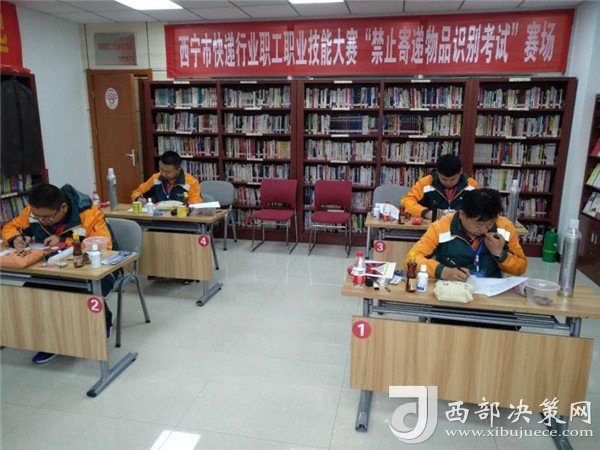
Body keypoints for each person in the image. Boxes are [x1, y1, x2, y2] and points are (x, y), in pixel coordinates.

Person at [2, 183, 115, 364]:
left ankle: (102, 323)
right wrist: (16, 238)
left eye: (46, 217)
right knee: (32, 292)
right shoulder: (33, 212)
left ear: (63, 207)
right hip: (53, 268)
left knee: (76, 292)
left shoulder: (88, 213)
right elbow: (10, 227)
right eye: (37, 217)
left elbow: (104, 247)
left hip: (97, 269)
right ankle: (50, 341)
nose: (41, 220)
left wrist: (64, 241)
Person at [405, 188, 527, 281]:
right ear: (462, 215)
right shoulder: (441, 226)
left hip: (491, 290)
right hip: (452, 288)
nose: (485, 230)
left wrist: (500, 254)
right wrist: (444, 272)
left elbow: (521, 267)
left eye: (490, 224)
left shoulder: (505, 227)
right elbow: (411, 259)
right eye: (479, 225)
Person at [403, 153, 478, 219]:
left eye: (453, 179)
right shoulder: (425, 183)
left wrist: (464, 214)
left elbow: (479, 208)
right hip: (431, 226)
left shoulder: (471, 185)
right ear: (437, 172)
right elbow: (407, 201)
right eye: (443, 179)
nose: (448, 183)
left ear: (460, 171)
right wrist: (425, 212)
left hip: (461, 227)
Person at [131, 151, 202, 204]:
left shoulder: (191, 183)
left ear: (179, 168)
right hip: (160, 217)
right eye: (161, 169)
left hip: (181, 217)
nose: (163, 173)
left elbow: (195, 206)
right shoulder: (156, 178)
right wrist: (138, 198)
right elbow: (137, 192)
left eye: (168, 171)